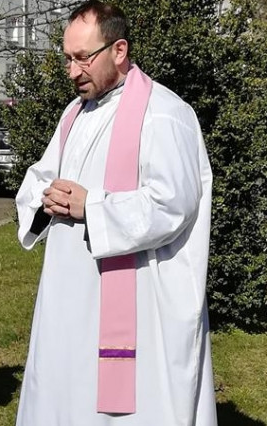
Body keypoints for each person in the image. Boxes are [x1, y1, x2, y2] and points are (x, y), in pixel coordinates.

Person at [14, 1, 216, 425]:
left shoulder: (164, 114)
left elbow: (172, 205)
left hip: (136, 303)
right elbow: (41, 176)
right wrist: (44, 198)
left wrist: (92, 206)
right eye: (67, 58)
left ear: (119, 50)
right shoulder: (75, 114)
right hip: (69, 297)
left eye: (82, 58)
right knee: (67, 396)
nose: (72, 72)